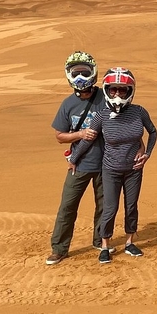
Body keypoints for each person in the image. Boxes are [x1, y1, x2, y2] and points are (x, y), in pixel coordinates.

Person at [68, 67, 157, 264]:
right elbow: (88, 139)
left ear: (130, 91)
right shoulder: (100, 116)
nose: (117, 94)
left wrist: (147, 153)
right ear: (107, 90)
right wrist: (73, 158)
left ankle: (129, 242)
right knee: (109, 208)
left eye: (122, 90)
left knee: (131, 206)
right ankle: (105, 245)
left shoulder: (139, 112)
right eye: (113, 90)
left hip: (134, 170)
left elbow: (153, 132)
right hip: (110, 170)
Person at [46, 51, 109, 265]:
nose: (81, 77)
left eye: (85, 72)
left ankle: (101, 241)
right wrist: (80, 134)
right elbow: (59, 136)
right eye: (76, 72)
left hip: (106, 164)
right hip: (79, 164)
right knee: (67, 207)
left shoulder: (106, 96)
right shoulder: (67, 104)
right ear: (69, 75)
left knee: (104, 206)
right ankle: (59, 248)